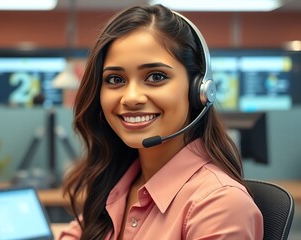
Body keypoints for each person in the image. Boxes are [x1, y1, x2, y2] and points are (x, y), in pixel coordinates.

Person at [60, 3, 263, 240]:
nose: (131, 98)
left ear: (199, 89)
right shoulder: (116, 185)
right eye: (115, 79)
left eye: (156, 77)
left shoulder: (219, 205)